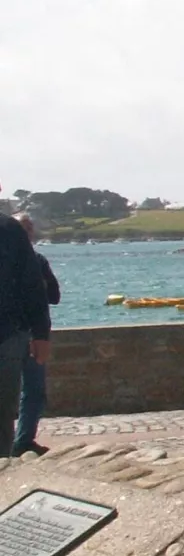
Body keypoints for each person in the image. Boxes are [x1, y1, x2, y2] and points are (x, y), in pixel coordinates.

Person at [0, 195, 50, 458]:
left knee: (2, 411)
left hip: (7, 335)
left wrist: (40, 334)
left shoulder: (9, 231)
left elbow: (34, 286)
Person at [12, 214, 58, 456]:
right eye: (23, 227)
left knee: (34, 391)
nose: (28, 232)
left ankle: (23, 441)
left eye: (30, 227)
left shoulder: (39, 261)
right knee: (9, 391)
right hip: (11, 334)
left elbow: (54, 296)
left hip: (34, 334)